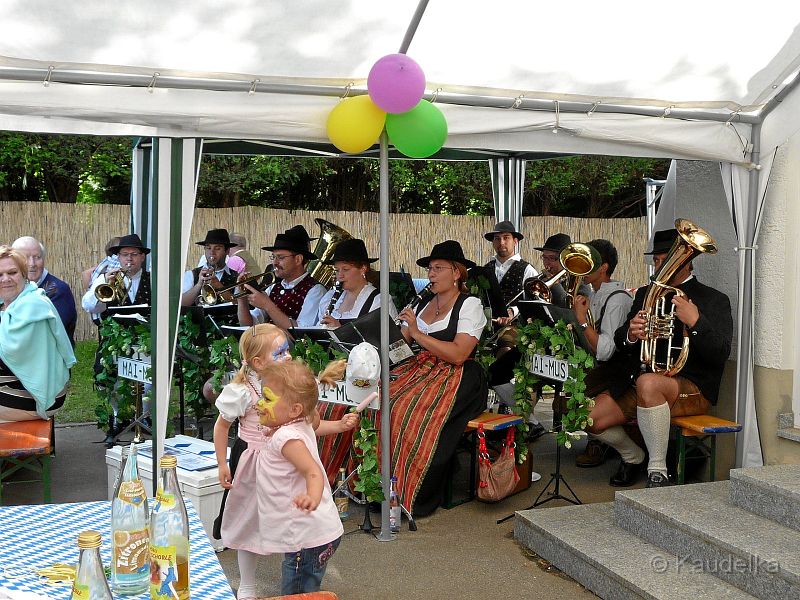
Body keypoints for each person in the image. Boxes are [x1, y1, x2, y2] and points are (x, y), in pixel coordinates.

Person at [588, 227, 733, 488]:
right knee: (585, 417)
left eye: (664, 259)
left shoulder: (713, 299)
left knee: (649, 383)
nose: (658, 266)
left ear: (685, 261)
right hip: (641, 382)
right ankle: (634, 457)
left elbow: (720, 353)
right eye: (656, 260)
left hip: (691, 388)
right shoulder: (645, 294)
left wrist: (696, 321)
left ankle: (658, 471)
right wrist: (631, 334)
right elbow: (622, 342)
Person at [215, 345, 346, 597]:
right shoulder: (297, 423)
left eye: (266, 399)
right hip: (313, 536)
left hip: (307, 540)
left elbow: (313, 472)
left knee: (296, 594)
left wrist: (312, 497)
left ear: (294, 409)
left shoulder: (287, 437)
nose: (259, 405)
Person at [391, 240, 487, 516]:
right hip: (421, 369)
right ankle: (381, 487)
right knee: (383, 399)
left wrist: (418, 334)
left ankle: (414, 492)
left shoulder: (470, 305)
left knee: (406, 409)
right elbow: (400, 350)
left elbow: (459, 353)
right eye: (430, 268)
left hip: (458, 375)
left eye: (438, 268)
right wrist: (401, 335)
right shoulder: (423, 304)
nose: (431, 274)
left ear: (456, 273)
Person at [571, 239, 635, 468]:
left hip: (617, 373)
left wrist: (581, 321)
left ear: (604, 267)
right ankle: (600, 444)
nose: (583, 267)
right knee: (565, 400)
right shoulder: (596, 293)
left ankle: (631, 454)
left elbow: (606, 351)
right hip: (603, 369)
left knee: (573, 409)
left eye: (590, 262)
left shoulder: (617, 299)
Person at [81, 234, 152, 441]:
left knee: (150, 378)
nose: (129, 259)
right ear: (118, 257)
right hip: (114, 340)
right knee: (108, 378)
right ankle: (116, 417)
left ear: (142, 257)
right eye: (124, 255)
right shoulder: (107, 277)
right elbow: (88, 306)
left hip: (143, 339)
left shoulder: (152, 279)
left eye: (134, 254)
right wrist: (104, 285)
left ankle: (146, 416)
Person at [0, 246, 76, 422]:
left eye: (12, 272)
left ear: (24, 275)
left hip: (34, 394)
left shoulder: (32, 305)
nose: (6, 279)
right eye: (0, 275)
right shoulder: (7, 304)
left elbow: (9, 354)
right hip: (14, 384)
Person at [238, 227, 326, 330]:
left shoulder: (315, 290)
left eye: (281, 257)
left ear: (298, 259)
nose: (275, 262)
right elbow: (248, 325)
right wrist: (241, 299)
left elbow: (301, 332)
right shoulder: (273, 288)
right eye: (273, 257)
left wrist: (268, 305)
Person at [12, 236, 77, 345]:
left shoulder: (57, 290)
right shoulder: (11, 287)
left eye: (37, 257)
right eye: (25, 257)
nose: (32, 264)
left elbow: (45, 334)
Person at [317, 238, 397, 327]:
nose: (340, 275)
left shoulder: (379, 301)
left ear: (363, 269)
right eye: (337, 270)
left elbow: (387, 339)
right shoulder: (329, 298)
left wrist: (340, 331)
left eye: (345, 269)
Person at [480, 220, 538, 323]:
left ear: (515, 242)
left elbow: (535, 304)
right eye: (497, 239)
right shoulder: (485, 269)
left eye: (506, 238)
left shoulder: (528, 270)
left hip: (516, 332)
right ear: (493, 242)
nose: (501, 242)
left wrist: (513, 311)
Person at [182, 229, 240, 306]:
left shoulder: (237, 277)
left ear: (227, 251)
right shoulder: (191, 275)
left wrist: (219, 285)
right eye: (208, 248)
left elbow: (239, 305)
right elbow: (181, 304)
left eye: (217, 248)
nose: (212, 253)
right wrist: (199, 285)